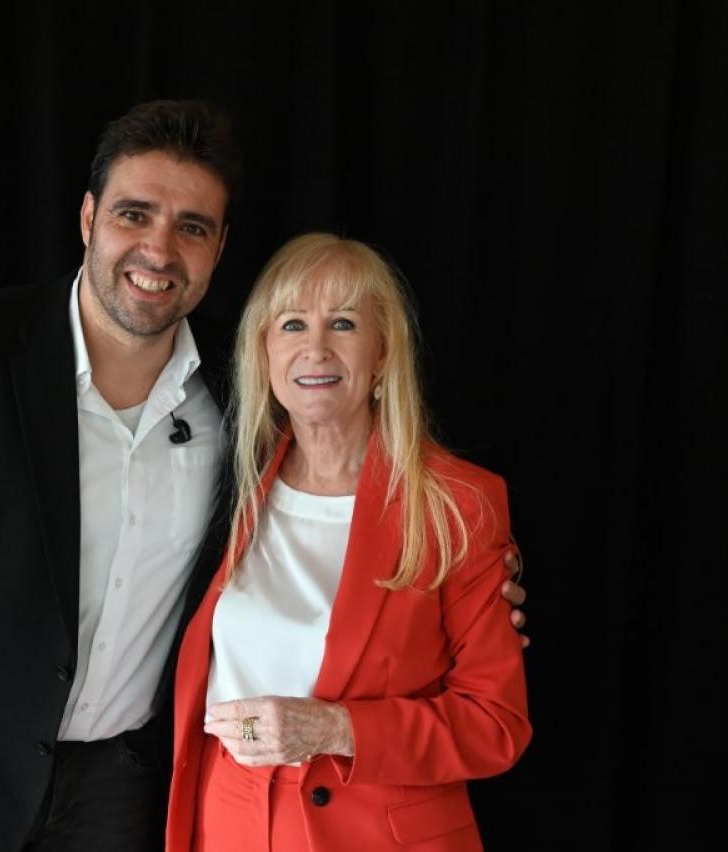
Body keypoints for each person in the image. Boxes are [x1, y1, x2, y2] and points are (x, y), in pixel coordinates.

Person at [0, 102, 528, 852]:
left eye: (191, 227)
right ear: (88, 218)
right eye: (135, 214)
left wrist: (480, 577)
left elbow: (355, 521)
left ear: (219, 248)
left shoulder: (241, 398)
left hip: (133, 794)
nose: (158, 250)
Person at [166, 234, 532, 851]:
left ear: (382, 353)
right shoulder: (226, 484)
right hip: (228, 822)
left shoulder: (457, 505)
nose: (315, 348)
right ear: (263, 352)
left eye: (343, 323)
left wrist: (334, 728)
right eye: (292, 324)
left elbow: (495, 724)